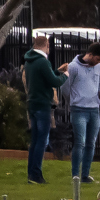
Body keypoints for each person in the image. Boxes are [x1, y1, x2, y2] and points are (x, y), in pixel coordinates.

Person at [22, 35, 67, 186]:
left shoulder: (30, 61)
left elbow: (44, 77)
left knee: (35, 140)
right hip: (42, 105)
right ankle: (36, 174)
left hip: (33, 103)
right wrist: (65, 75)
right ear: (46, 44)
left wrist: (57, 71)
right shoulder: (42, 61)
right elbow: (54, 82)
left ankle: (31, 173)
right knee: (42, 140)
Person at [65, 43, 100, 184]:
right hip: (79, 109)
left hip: (94, 109)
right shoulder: (73, 67)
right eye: (97, 58)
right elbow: (65, 87)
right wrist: (72, 101)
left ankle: (85, 175)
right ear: (90, 54)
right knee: (80, 142)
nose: (98, 62)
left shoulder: (99, 67)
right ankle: (75, 175)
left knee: (91, 143)